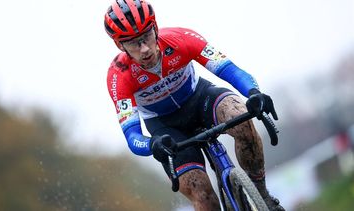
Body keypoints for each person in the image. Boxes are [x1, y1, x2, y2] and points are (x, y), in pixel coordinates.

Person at [104, 0, 284, 210]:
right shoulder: (119, 75)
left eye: (146, 37)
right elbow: (132, 136)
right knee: (203, 196)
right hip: (167, 128)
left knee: (240, 115)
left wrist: (254, 93)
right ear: (120, 45)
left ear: (155, 28)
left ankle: (262, 195)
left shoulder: (180, 39)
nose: (144, 49)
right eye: (134, 43)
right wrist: (152, 144)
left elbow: (229, 70)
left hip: (200, 99)